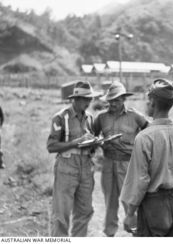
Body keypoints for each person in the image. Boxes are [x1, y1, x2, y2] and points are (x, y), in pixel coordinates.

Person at [120, 78, 173, 237]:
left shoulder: (144, 137)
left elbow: (141, 180)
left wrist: (130, 213)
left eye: (148, 101)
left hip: (152, 207)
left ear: (153, 103)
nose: (146, 104)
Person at [92, 81, 149, 237]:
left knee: (130, 201)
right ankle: (110, 234)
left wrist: (141, 150)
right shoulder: (101, 118)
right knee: (110, 201)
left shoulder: (135, 116)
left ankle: (137, 233)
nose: (113, 103)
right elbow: (92, 135)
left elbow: (150, 132)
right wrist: (97, 142)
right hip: (108, 163)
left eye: (117, 100)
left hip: (128, 164)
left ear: (124, 99)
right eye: (110, 100)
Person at [47, 81, 98, 236]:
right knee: (61, 213)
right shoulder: (61, 118)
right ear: (74, 99)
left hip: (86, 166)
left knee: (85, 211)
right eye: (85, 99)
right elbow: (51, 146)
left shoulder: (89, 118)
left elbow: (90, 143)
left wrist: (94, 143)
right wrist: (76, 142)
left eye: (90, 99)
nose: (88, 102)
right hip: (67, 166)